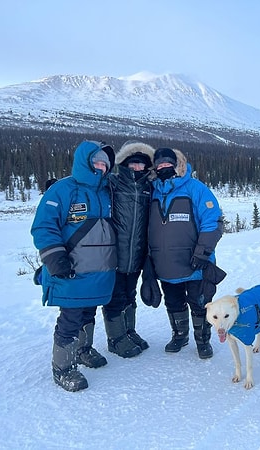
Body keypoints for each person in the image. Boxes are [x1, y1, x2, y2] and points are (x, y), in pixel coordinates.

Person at [31, 140, 117, 392]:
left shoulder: (107, 191)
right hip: (71, 268)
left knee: (88, 311)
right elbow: (44, 226)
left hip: (100, 269)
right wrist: (55, 258)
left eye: (105, 163)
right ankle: (63, 368)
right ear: (84, 162)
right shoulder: (62, 190)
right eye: (97, 162)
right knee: (70, 317)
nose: (101, 167)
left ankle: (83, 350)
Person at [146, 147, 223, 359]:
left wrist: (202, 252)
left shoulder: (195, 189)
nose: (163, 168)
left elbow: (213, 221)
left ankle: (202, 340)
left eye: (167, 164)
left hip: (195, 262)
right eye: (159, 165)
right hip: (164, 263)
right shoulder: (151, 190)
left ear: (177, 164)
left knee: (199, 303)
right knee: (173, 302)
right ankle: (180, 335)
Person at [102, 141, 156, 358]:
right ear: (124, 164)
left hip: (137, 253)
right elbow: (89, 188)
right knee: (115, 297)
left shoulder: (148, 188)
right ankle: (115, 339)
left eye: (141, 166)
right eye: (133, 165)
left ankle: (128, 331)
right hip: (114, 253)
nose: (137, 169)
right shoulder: (112, 183)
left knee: (130, 294)